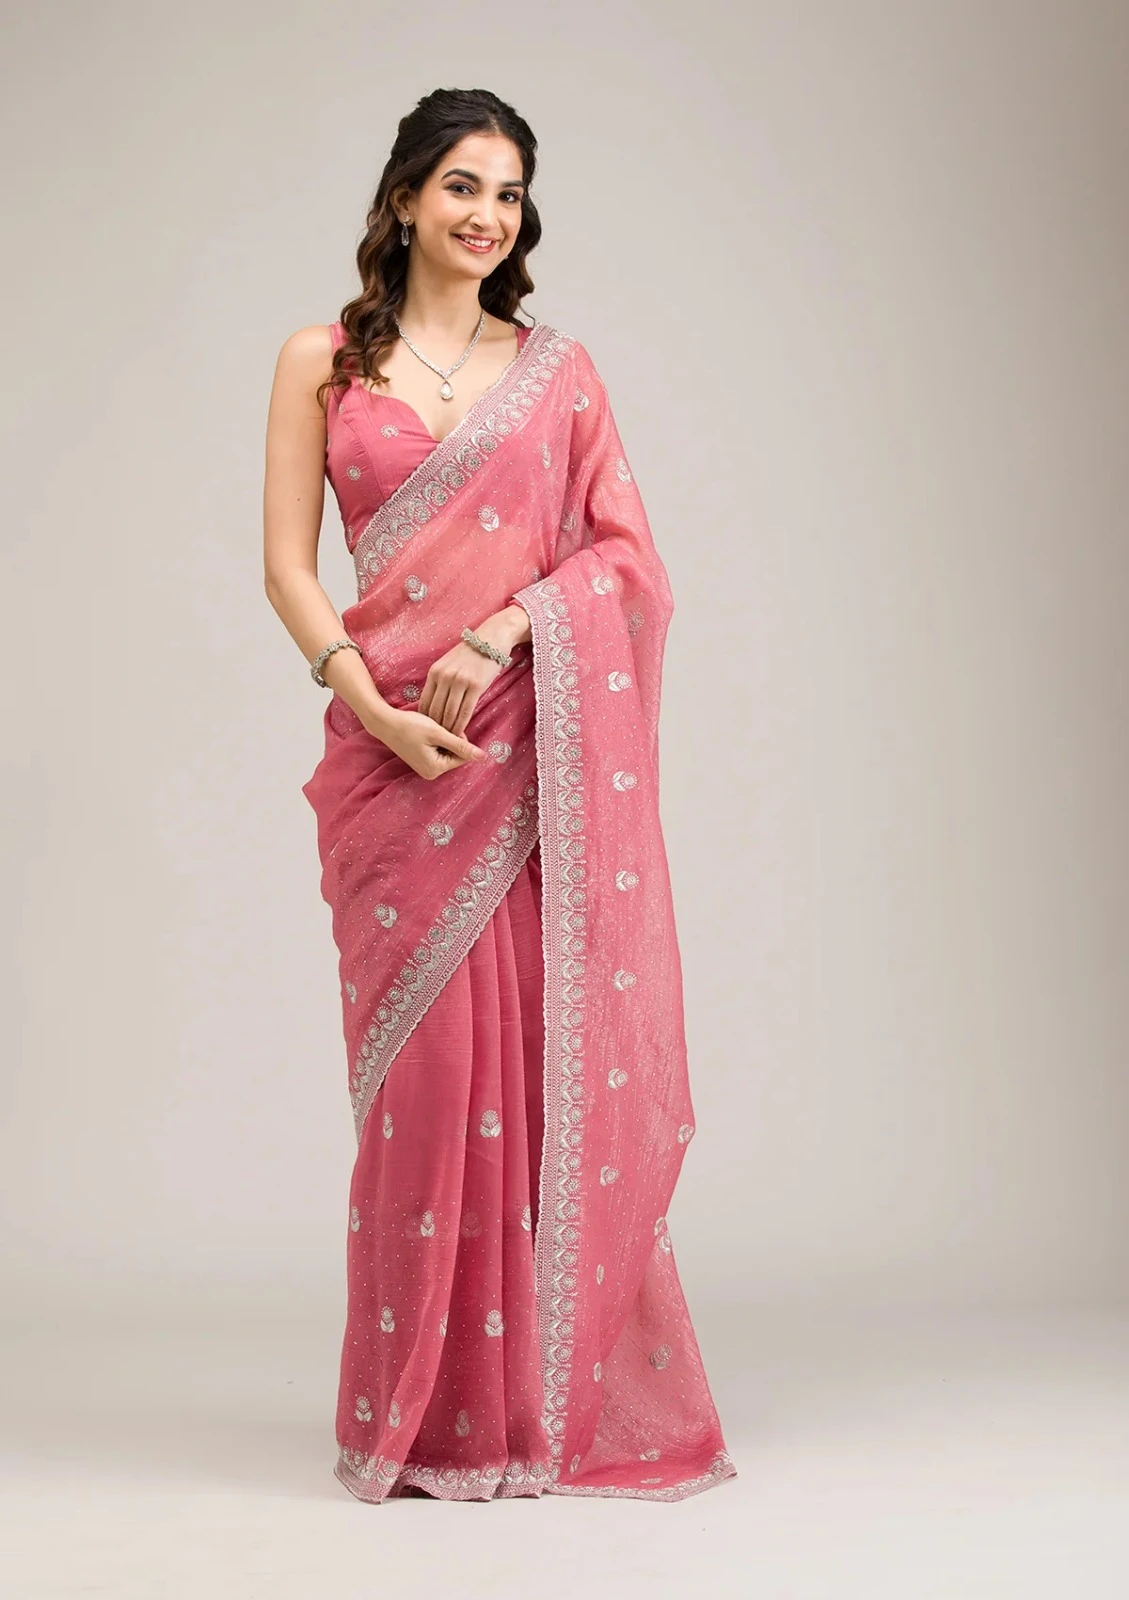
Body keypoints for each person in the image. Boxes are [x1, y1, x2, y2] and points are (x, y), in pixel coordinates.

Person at [262, 86, 736, 1504]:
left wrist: (507, 626)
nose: (487, 215)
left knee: (524, 1081)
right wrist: (368, 704)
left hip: (521, 761)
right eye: (462, 186)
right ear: (406, 197)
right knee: (419, 1096)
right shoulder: (320, 362)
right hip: (386, 768)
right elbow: (287, 566)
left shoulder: (558, 375)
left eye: (510, 194)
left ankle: (517, 1409)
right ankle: (418, 1414)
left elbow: (627, 561)